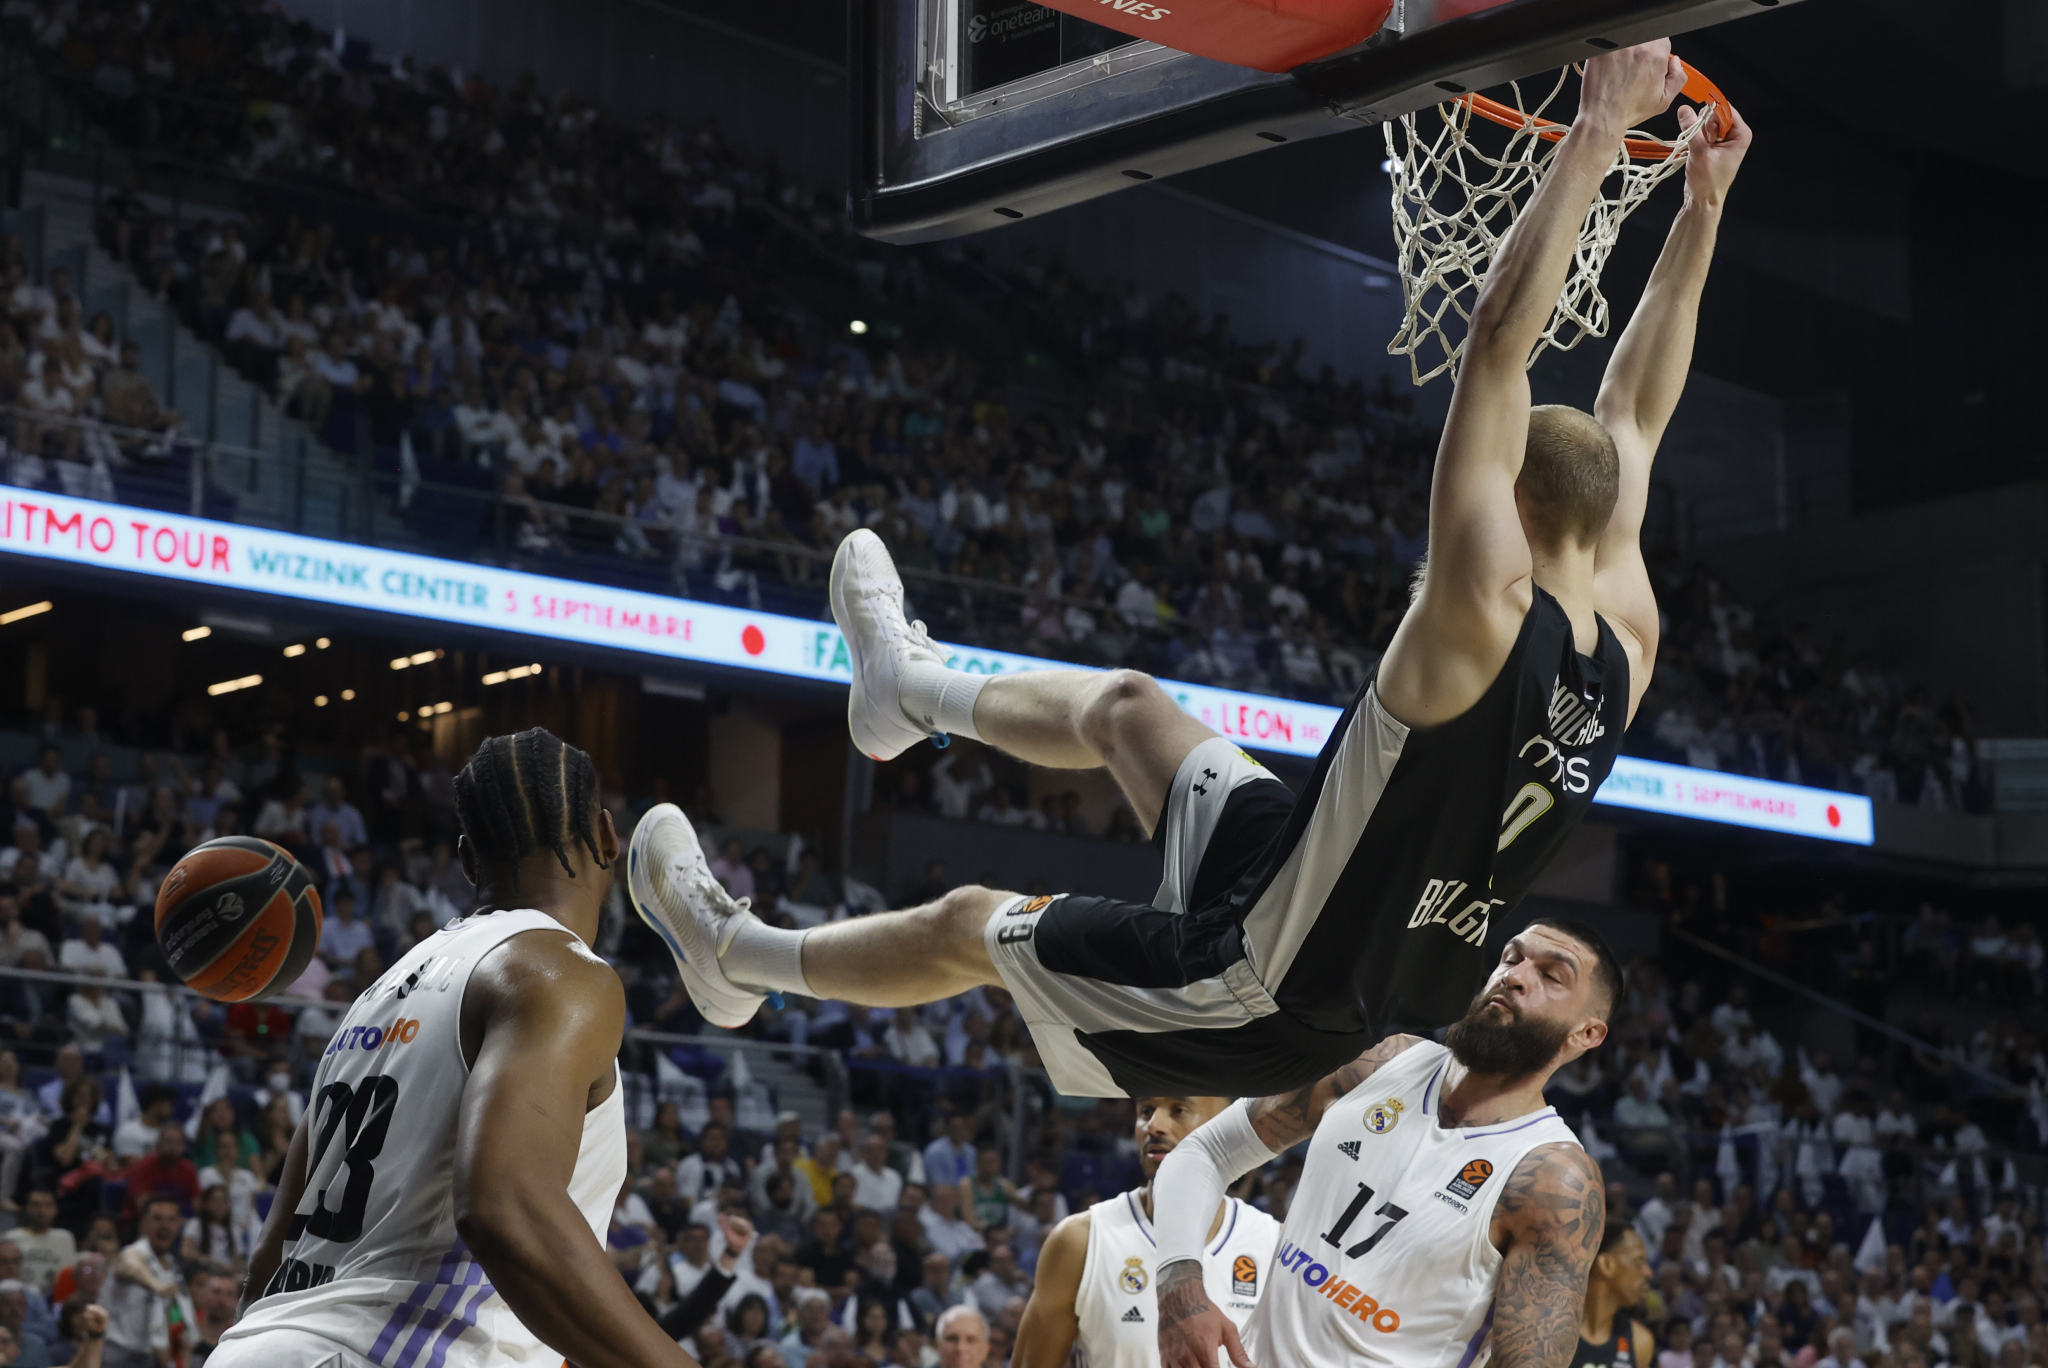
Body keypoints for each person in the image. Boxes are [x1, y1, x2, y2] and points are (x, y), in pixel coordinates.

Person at [626, 43, 1746, 1102]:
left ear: (1505, 501)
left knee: (974, 921)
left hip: (1269, 988)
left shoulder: (1479, 610)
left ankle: (736, 957)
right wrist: (1698, 210)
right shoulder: (1625, 643)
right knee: (1126, 708)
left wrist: (1598, 128)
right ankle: (904, 689)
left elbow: (1500, 338)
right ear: (1601, 522)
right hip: (1308, 884)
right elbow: (1635, 413)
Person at [212, 728, 695, 1368]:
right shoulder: (560, 974)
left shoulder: (376, 996)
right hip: (388, 1349)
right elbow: (504, 1208)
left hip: (261, 1344)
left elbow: (270, 1256)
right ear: (607, 838)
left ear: (468, 861)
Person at [1148, 919, 1619, 1368]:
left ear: (1587, 1033)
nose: (1514, 977)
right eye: (1511, 957)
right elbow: (1204, 1153)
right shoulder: (1377, 1062)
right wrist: (1179, 1284)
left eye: (1551, 975)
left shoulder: (1554, 1177)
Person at [1014, 1095, 1280, 1368]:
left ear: (1227, 1125)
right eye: (1146, 1111)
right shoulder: (1080, 1240)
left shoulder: (1275, 1245)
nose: (1153, 1126)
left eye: (1178, 1110)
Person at [1573, 1220, 1655, 1368]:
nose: (1648, 1272)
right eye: (1639, 1261)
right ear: (1606, 1265)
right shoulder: (1548, 1333)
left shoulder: (1639, 1342)